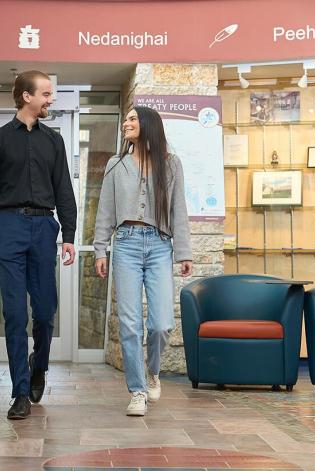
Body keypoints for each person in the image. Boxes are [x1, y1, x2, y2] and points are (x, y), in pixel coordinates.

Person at [0, 70, 77, 420]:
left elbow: (64, 190)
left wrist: (70, 236)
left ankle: (39, 365)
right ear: (26, 96)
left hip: (45, 227)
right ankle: (19, 392)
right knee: (15, 314)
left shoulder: (54, 141)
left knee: (45, 312)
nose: (51, 99)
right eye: (46, 93)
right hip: (10, 228)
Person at [92, 106, 192, 417]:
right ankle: (137, 391)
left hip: (161, 246)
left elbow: (179, 210)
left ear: (148, 124)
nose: (127, 123)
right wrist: (100, 250)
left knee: (161, 323)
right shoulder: (116, 164)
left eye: (133, 119)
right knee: (130, 325)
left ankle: (152, 372)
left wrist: (184, 252)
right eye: (126, 119)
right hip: (126, 245)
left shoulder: (171, 164)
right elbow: (105, 211)